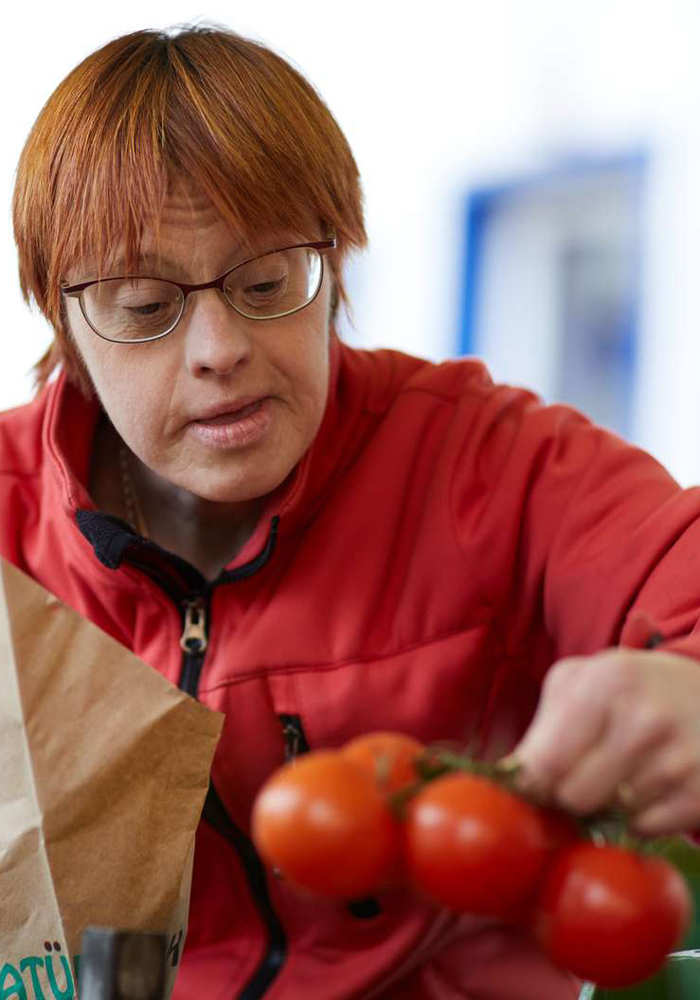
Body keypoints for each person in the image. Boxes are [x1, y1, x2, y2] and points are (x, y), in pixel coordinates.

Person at [7, 23, 700, 1000]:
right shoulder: (8, 521)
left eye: (266, 282)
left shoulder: (480, 464)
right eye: (142, 303)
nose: (218, 348)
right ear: (61, 316)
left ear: (336, 263)